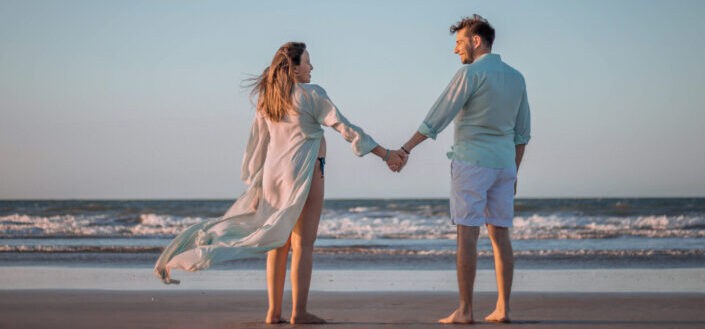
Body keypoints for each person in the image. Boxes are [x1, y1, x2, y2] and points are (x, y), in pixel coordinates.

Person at [153, 42, 406, 324]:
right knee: (303, 245)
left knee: (277, 243)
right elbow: (345, 128)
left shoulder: (269, 98)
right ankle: (299, 312)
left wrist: (255, 182)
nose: (312, 67)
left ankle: (273, 312)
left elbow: (257, 145)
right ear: (295, 68)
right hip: (306, 173)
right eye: (308, 62)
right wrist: (386, 154)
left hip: (272, 178)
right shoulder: (312, 94)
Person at [396, 15, 531, 324]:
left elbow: (438, 116)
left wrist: (405, 150)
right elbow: (522, 133)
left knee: (466, 235)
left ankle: (466, 310)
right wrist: (514, 172)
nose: (456, 50)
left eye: (459, 43)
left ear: (476, 41)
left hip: (471, 164)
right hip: (504, 166)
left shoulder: (470, 74)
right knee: (500, 236)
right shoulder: (517, 78)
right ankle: (503, 309)